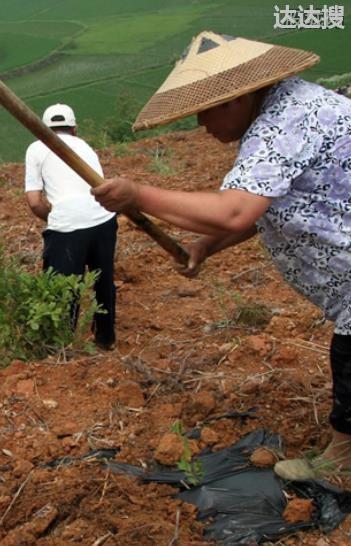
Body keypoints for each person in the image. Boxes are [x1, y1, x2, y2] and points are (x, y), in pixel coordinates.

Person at [90, 31, 350, 480]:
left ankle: (342, 465)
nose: (199, 124)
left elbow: (235, 210)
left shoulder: (283, 123)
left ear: (236, 98)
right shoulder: (294, 105)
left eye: (205, 109)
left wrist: (138, 194)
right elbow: (271, 205)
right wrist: (205, 246)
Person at [24, 103, 117, 350]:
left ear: (43, 130)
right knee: (103, 281)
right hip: (104, 219)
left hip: (66, 228)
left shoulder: (36, 148)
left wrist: (55, 218)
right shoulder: (85, 146)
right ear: (74, 129)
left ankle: (62, 345)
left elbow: (34, 202)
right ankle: (106, 339)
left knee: (64, 289)